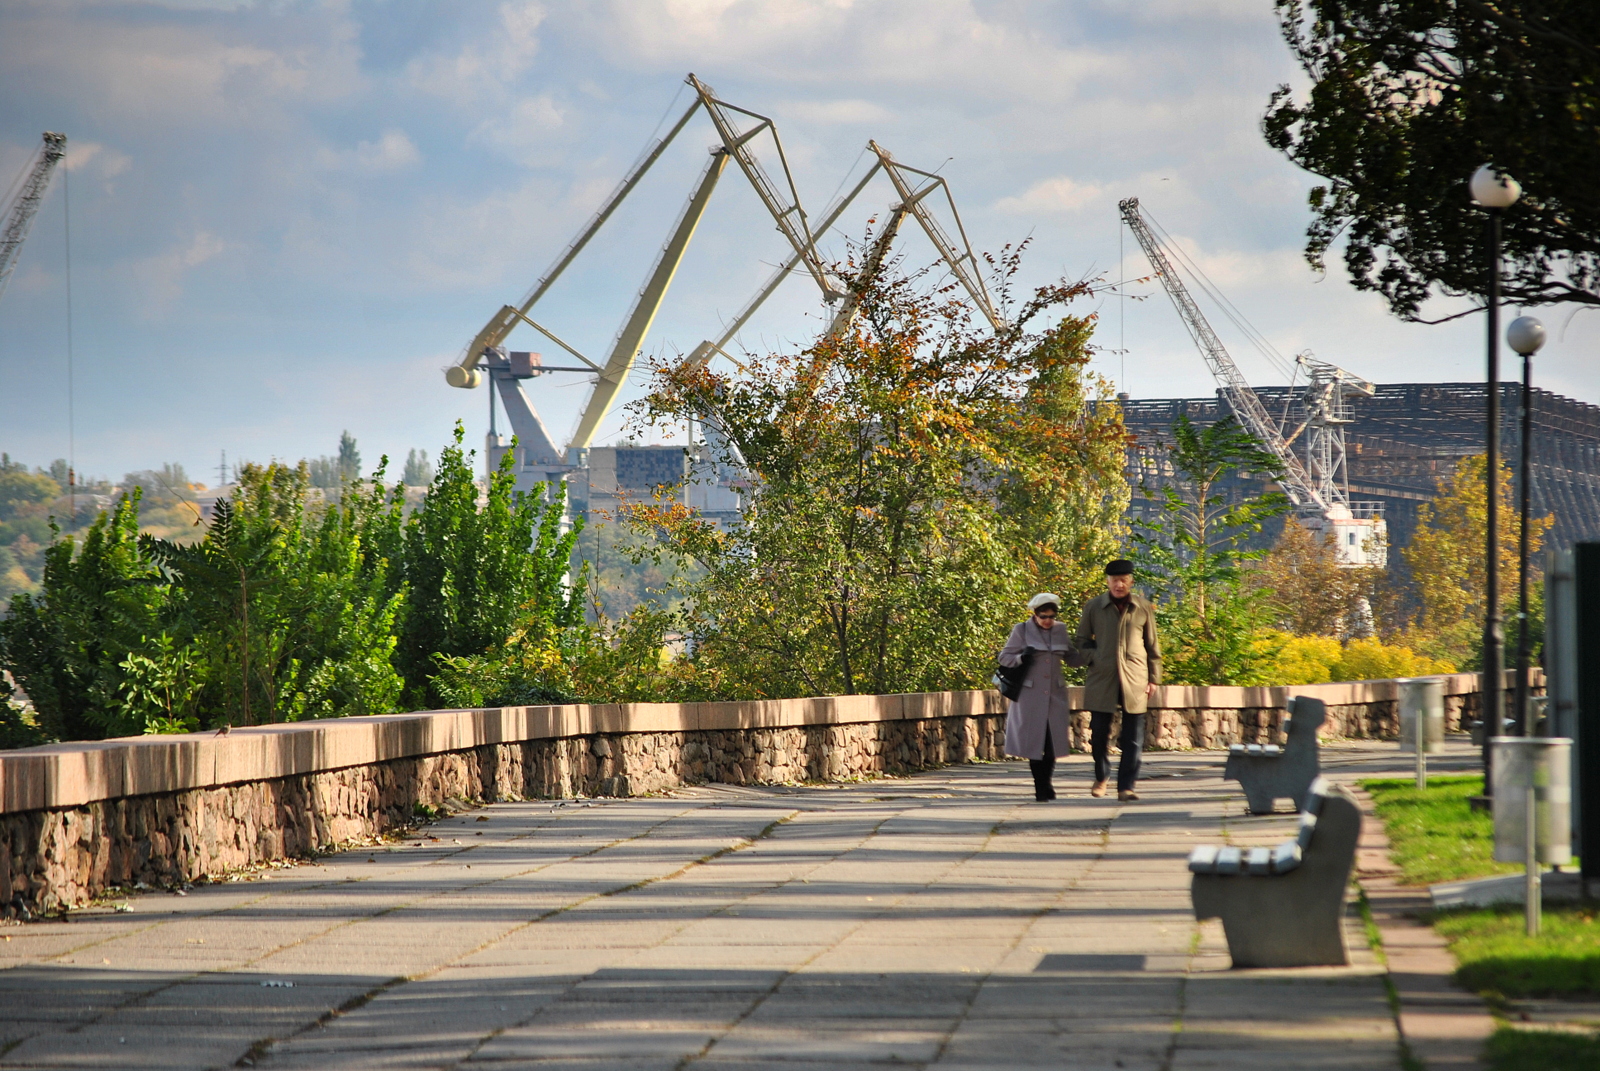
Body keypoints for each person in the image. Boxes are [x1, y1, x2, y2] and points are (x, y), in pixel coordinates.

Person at [1072, 559, 1162, 802]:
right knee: (1099, 732)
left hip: (1136, 677)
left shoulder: (1142, 608)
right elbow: (1081, 641)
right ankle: (1102, 776)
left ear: (1131, 581)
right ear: (1107, 581)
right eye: (1114, 580)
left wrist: (1154, 678)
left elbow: (1152, 646)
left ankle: (1127, 786)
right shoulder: (1093, 607)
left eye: (1123, 580)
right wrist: (1096, 657)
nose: (1119, 585)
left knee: (1134, 735)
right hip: (1103, 677)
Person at [998, 593, 1077, 802]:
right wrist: (1021, 657)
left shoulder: (1061, 630)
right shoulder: (1021, 630)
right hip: (1029, 696)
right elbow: (1004, 657)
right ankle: (1040, 788)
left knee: (1052, 744)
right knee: (1034, 744)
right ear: (1035, 614)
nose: (1048, 620)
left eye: (1052, 616)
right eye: (1043, 616)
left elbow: (1071, 656)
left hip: (1055, 695)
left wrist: (1094, 653)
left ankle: (1047, 782)